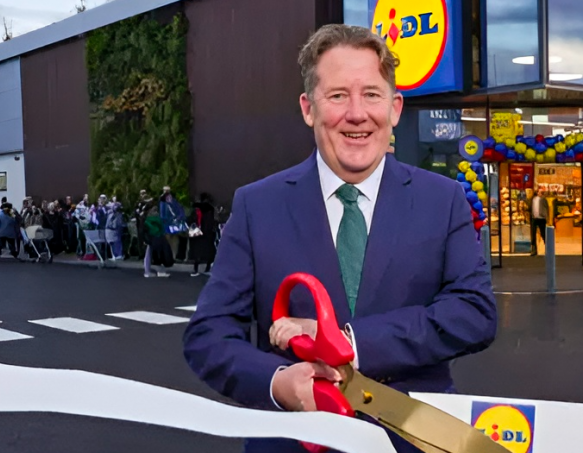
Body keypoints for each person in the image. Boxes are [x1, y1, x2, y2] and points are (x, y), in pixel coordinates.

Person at [182, 24, 497, 453]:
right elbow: (209, 334)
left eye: (371, 94)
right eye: (337, 96)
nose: (357, 113)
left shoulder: (442, 200)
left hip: (412, 441)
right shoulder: (258, 205)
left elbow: (473, 313)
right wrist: (278, 383)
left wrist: (350, 342)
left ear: (395, 108)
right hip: (295, 442)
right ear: (308, 108)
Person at [186, 193, 217, 276]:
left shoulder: (196, 209)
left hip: (197, 233)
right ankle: (207, 268)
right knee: (209, 251)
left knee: (197, 252)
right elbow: (212, 222)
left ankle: (196, 269)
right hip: (208, 233)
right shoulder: (211, 209)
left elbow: (190, 220)